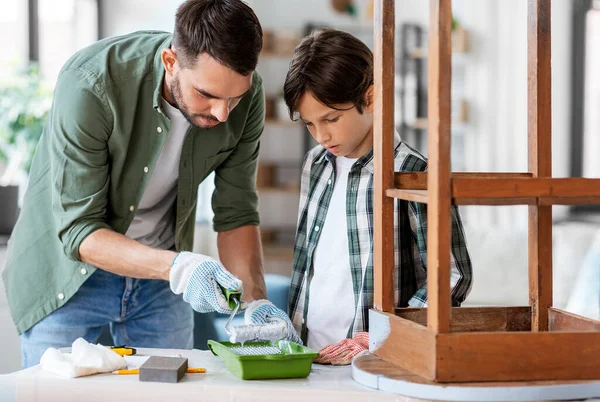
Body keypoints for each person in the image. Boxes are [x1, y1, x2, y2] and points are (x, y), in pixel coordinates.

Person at [3, 0, 297, 368]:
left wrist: (256, 302)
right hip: (69, 276)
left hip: (159, 285)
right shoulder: (91, 84)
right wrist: (181, 269)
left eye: (234, 98)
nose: (223, 113)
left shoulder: (247, 97)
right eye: (207, 95)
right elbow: (79, 230)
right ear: (170, 62)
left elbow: (236, 211)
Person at [282, 29, 473, 364]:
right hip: (308, 357)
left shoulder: (414, 172)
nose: (321, 135)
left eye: (331, 119)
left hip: (379, 362)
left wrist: (382, 337)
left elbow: (453, 277)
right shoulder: (315, 164)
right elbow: (310, 264)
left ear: (370, 99)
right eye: (310, 124)